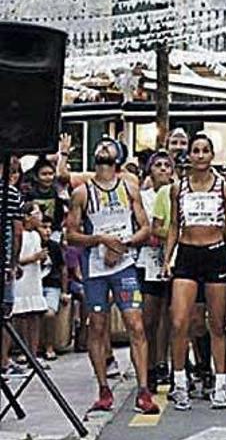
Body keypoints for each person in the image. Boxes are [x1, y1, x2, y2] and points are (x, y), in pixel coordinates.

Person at [66, 139, 158, 414]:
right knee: (97, 326)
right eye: (101, 144)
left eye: (109, 145)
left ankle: (143, 390)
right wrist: (100, 239)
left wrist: (122, 245)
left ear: (119, 156)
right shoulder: (82, 192)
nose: (104, 147)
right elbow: (70, 234)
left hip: (124, 265)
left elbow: (145, 228)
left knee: (136, 324)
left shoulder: (129, 187)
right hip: (95, 268)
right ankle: (103, 389)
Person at [164, 134, 226, 410]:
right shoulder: (178, 188)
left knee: (217, 324)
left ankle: (220, 384)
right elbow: (174, 224)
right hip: (186, 254)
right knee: (179, 321)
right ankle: (181, 382)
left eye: (204, 151)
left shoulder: (224, 188)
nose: (199, 155)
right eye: (195, 150)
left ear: (211, 155)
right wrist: (167, 258)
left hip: (215, 253)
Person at [137, 151, 174, 392]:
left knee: (172, 317)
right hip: (148, 259)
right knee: (150, 317)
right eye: (157, 165)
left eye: (166, 165)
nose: (162, 169)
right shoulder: (143, 197)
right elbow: (146, 228)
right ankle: (148, 367)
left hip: (175, 257)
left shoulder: (179, 193)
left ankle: (165, 363)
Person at [12, 203, 49, 368]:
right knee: (20, 316)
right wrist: (33, 258)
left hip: (34, 278)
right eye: (37, 213)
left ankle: (33, 354)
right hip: (22, 279)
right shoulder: (19, 235)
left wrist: (41, 258)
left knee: (35, 315)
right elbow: (16, 259)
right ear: (27, 216)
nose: (39, 216)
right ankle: (20, 352)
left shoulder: (36, 235)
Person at [0, 157, 24, 377]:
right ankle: (3, 361)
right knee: (6, 312)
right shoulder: (11, 193)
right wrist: (14, 263)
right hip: (4, 263)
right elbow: (17, 231)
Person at [38, 211, 66, 362]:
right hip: (34, 285)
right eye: (44, 227)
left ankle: (49, 346)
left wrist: (64, 291)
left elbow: (62, 269)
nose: (48, 231)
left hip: (51, 285)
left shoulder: (54, 247)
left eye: (49, 227)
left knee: (49, 313)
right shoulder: (30, 242)